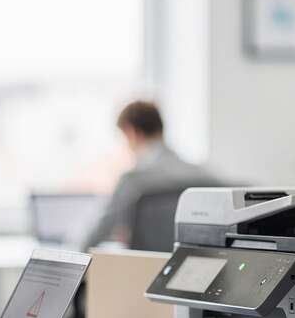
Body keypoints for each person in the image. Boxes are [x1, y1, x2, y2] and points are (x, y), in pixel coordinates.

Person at [77, 100, 218, 251]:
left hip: (145, 269)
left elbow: (95, 235)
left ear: (131, 132)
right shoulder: (205, 177)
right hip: (194, 266)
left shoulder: (133, 181)